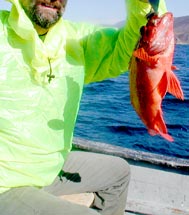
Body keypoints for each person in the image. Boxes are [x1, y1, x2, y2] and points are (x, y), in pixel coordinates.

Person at [0, 0, 167, 214]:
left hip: (45, 168)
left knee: (118, 173)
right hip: (5, 183)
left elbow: (136, 45)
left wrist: (144, 3)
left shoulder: (76, 41)